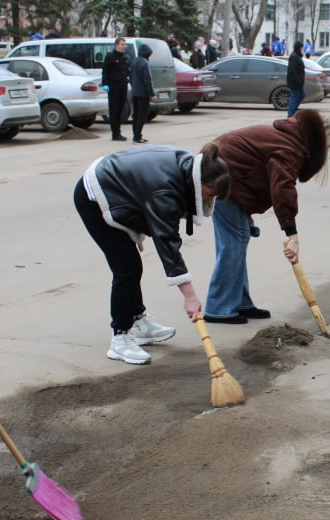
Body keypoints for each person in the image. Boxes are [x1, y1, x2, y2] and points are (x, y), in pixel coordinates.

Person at [74, 143, 230, 365]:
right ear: (199, 181)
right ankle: (120, 338)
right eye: (209, 194)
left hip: (116, 185)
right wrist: (190, 297)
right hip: (95, 196)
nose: (208, 201)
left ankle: (138, 320)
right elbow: (166, 241)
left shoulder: (188, 169)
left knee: (131, 265)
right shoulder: (166, 189)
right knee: (126, 268)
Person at [204, 110, 330, 323]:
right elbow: (282, 187)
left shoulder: (286, 137)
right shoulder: (290, 148)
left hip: (224, 176)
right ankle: (219, 308)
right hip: (223, 180)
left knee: (237, 240)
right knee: (234, 242)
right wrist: (292, 234)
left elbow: (251, 168)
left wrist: (246, 211)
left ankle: (238, 302)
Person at [102, 37, 130, 141]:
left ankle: (118, 132)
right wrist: (105, 84)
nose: (124, 46)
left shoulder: (124, 57)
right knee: (114, 111)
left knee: (120, 110)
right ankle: (115, 134)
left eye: (125, 44)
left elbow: (127, 71)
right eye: (122, 44)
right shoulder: (110, 57)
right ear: (116, 45)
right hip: (114, 87)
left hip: (123, 86)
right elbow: (105, 71)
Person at [129, 42, 153, 144]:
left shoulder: (134, 61)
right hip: (143, 94)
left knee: (136, 115)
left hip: (135, 93)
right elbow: (147, 80)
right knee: (142, 116)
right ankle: (137, 137)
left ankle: (135, 135)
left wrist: (134, 87)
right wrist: (151, 93)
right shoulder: (144, 63)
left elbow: (130, 77)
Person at [286, 41, 306, 117]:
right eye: (301, 47)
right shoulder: (294, 56)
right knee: (294, 97)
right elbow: (292, 70)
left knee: (301, 95)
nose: (302, 49)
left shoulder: (297, 56)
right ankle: (291, 114)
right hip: (295, 82)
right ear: (299, 47)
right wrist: (297, 80)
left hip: (299, 82)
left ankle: (294, 110)